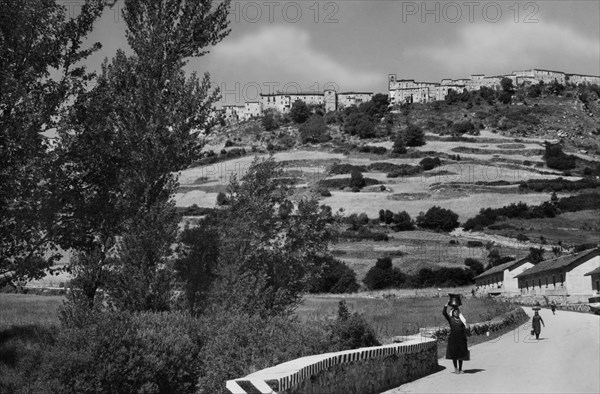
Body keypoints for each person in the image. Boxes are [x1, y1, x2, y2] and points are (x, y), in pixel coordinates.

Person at [443, 302, 470, 374]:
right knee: (454, 354)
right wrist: (446, 305)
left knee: (460, 354)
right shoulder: (451, 319)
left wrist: (467, 327)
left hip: (461, 339)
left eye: (457, 311)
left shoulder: (462, 320)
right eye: (455, 312)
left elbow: (465, 327)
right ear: (452, 313)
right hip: (453, 339)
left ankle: (460, 369)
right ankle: (456, 368)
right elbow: (444, 313)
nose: (456, 313)